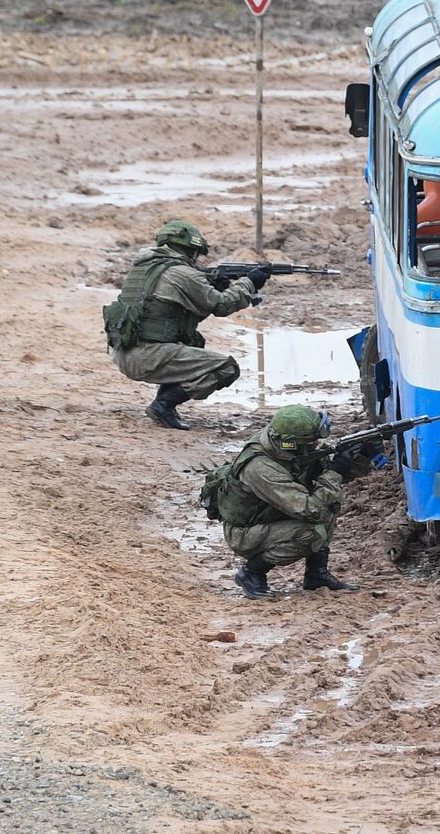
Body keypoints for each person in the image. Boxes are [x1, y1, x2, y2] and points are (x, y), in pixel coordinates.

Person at [104, 221, 268, 430]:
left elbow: (175, 316)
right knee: (226, 368)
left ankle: (165, 406)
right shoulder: (182, 273)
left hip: (126, 353)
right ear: (190, 250)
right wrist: (248, 283)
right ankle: (163, 405)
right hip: (147, 356)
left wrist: (210, 286)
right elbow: (221, 305)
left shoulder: (144, 267)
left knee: (192, 341)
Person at [213, 405, 382, 599]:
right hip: (246, 532)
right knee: (310, 532)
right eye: (312, 440)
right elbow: (309, 509)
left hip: (271, 515)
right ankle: (252, 573)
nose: (318, 443)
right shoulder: (261, 468)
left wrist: (360, 456)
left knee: (329, 504)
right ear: (292, 443)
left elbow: (335, 477)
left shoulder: (286, 448)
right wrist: (335, 472)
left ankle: (316, 575)